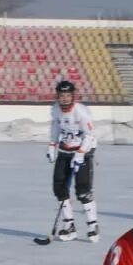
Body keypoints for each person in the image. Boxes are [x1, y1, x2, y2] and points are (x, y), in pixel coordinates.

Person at [46, 79, 99, 243]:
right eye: (62, 95)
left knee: (83, 190)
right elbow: (56, 127)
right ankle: (69, 226)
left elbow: (89, 135)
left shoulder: (81, 112)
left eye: (68, 95)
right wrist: (52, 145)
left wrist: (81, 153)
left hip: (83, 150)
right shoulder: (56, 110)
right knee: (59, 188)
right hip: (65, 151)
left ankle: (92, 226)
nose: (65, 99)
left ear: (73, 96)